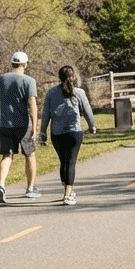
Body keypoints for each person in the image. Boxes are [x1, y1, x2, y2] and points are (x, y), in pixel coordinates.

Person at [37, 65, 97, 205]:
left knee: (64, 162)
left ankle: (67, 189)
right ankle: (68, 194)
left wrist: (43, 132)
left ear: (59, 78)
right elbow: (88, 111)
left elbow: (46, 114)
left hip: (57, 134)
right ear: (74, 77)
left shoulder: (51, 93)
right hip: (74, 132)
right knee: (70, 162)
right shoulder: (79, 92)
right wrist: (92, 126)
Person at [0, 51, 40, 202]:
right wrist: (35, 126)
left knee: (7, 156)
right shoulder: (29, 81)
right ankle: (30, 188)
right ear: (25, 64)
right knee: (30, 155)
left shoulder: (0, 79)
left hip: (6, 124)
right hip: (23, 125)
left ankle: (1, 186)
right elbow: (32, 104)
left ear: (12, 64)